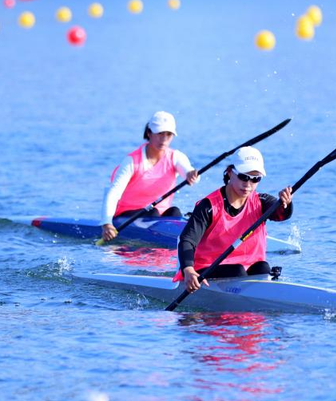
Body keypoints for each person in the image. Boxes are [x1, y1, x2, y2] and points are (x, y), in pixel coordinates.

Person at [176, 146, 293, 292]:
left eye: (255, 179)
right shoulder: (208, 206)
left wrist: (285, 203)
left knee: (263, 268)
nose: (248, 184)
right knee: (238, 271)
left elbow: (281, 215)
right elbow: (187, 240)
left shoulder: (262, 202)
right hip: (204, 272)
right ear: (230, 172)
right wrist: (188, 270)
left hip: (246, 270)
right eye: (244, 177)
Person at [100, 111, 199, 242]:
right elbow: (113, 193)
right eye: (160, 134)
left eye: (168, 134)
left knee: (174, 212)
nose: (164, 139)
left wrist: (191, 175)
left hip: (159, 217)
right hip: (126, 216)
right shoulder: (131, 161)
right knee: (153, 213)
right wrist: (107, 224)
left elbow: (190, 173)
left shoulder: (176, 157)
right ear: (149, 133)